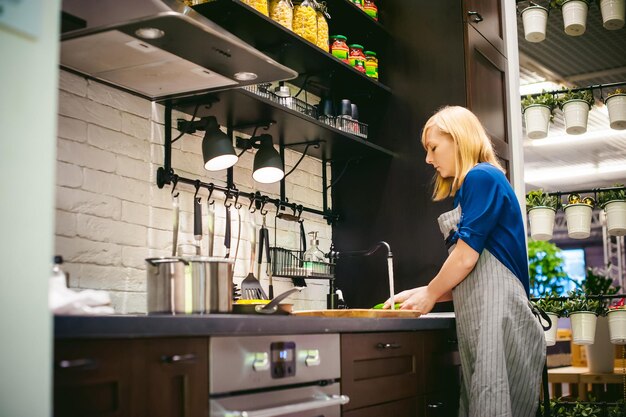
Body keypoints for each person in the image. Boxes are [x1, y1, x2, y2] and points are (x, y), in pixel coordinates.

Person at [384, 106, 545, 417]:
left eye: (433, 147)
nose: (428, 159)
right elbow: (476, 272)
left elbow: (467, 258)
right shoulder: (472, 187)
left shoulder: (481, 176)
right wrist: (421, 293)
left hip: (499, 320)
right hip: (486, 318)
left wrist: (431, 293)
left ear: (458, 139)